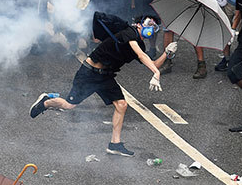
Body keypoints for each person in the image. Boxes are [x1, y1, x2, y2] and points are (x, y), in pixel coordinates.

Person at [29, 15, 178, 157]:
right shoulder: (129, 33)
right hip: (89, 73)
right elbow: (141, 56)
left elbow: (152, 64)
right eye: (149, 24)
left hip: (106, 76)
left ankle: (115, 144)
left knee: (121, 104)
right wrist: (156, 74)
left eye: (154, 26)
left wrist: (167, 53)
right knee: (69, 105)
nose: (151, 28)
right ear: (138, 24)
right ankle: (47, 101)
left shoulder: (138, 43)